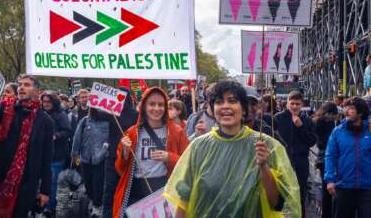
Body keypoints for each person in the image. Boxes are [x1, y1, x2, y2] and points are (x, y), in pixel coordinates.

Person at [164, 80, 301, 217]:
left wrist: (264, 167)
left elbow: (276, 203)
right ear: (213, 109)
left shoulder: (265, 145)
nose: (225, 106)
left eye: (232, 101)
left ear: (243, 109)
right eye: (219, 102)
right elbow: (184, 199)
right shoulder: (199, 147)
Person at [0, 74, 54, 217]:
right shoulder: (7, 107)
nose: (22, 87)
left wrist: (45, 191)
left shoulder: (46, 122)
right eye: (20, 84)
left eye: (27, 84)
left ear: (37, 92)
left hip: (26, 182)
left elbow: (46, 158)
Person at [113, 87, 189, 218]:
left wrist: (169, 157)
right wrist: (125, 153)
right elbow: (120, 169)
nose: (157, 108)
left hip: (165, 191)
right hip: (136, 194)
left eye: (161, 104)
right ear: (144, 107)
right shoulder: (131, 133)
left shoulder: (177, 132)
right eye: (152, 104)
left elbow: (189, 164)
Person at [325, 97, 371, 218]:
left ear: (360, 112)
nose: (346, 111)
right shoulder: (337, 131)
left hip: (367, 188)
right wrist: (330, 179)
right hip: (343, 186)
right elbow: (330, 156)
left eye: (350, 108)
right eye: (346, 107)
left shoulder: (369, 132)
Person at [274, 91, 316, 218]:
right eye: (292, 103)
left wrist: (300, 127)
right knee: (281, 195)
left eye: (297, 104)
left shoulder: (307, 120)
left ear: (301, 104)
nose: (294, 107)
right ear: (287, 103)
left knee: (300, 195)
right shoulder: (278, 118)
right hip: (282, 162)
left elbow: (312, 141)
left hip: (301, 163)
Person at [102, 89, 138, 218]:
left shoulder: (136, 115)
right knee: (110, 191)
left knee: (126, 190)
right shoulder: (111, 112)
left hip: (128, 157)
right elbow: (96, 116)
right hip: (113, 156)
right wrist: (94, 103)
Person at [72, 107, 110, 218]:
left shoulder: (108, 122)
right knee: (88, 183)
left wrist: (103, 151)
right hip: (85, 158)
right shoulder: (85, 120)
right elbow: (77, 137)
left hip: (100, 160)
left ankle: (97, 206)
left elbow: (110, 140)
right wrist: (75, 154)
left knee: (98, 183)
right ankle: (92, 199)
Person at [40, 90, 72, 217]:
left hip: (56, 155)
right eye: (43, 101)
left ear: (54, 102)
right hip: (42, 154)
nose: (45, 104)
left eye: (48, 101)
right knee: (42, 182)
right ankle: (42, 204)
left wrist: (56, 136)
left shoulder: (60, 114)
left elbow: (68, 131)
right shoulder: (40, 114)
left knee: (52, 182)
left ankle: (49, 207)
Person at [312, 102, 339, 218]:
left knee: (326, 189)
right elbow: (325, 141)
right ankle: (328, 214)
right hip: (325, 158)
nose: (332, 117)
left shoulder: (319, 121)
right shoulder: (325, 123)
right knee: (328, 190)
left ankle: (327, 214)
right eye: (331, 114)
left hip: (322, 158)